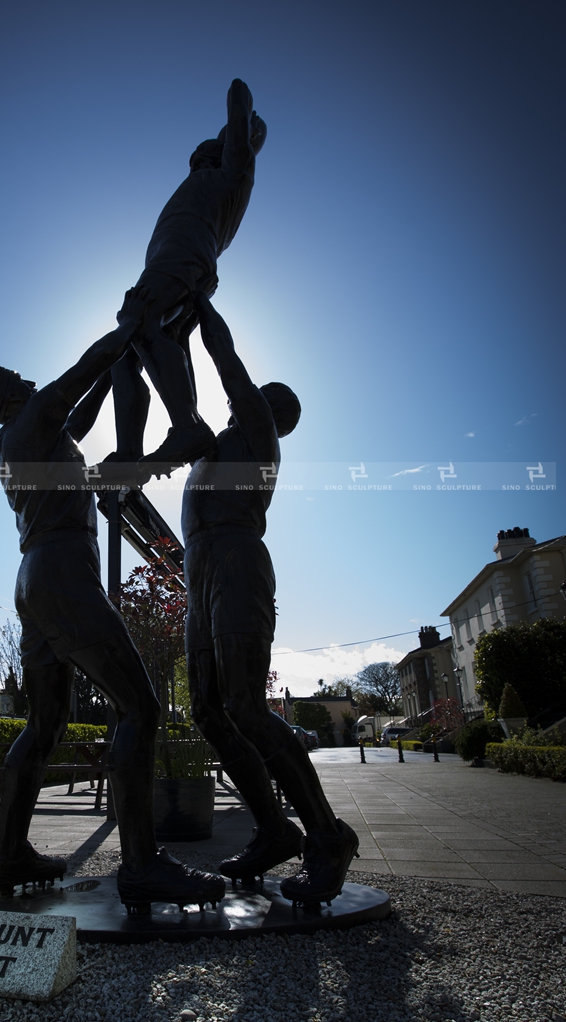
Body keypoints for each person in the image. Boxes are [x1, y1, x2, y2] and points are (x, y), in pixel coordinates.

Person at [0, 286, 224, 914]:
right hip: (62, 573)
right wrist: (129, 329)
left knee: (45, 724)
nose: (27, 377)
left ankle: (9, 855)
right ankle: (140, 864)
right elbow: (77, 375)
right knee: (138, 706)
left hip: (35, 579)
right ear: (5, 397)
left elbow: (81, 416)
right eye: (15, 377)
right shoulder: (28, 422)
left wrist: (123, 371)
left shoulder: (23, 443)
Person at [181, 291, 359, 903]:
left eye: (251, 400)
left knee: (247, 707)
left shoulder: (258, 437)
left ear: (268, 412)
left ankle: (328, 836)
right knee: (207, 709)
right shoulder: (212, 450)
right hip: (200, 572)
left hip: (237, 565)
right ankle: (274, 831)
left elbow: (227, 362)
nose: (235, 402)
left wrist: (199, 307)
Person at [110, 78, 267, 468]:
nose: (195, 160)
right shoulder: (204, 181)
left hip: (181, 261)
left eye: (203, 154)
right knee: (128, 350)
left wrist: (244, 128)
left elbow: (238, 94)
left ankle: (187, 427)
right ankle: (134, 448)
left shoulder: (233, 177)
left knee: (134, 324)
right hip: (175, 264)